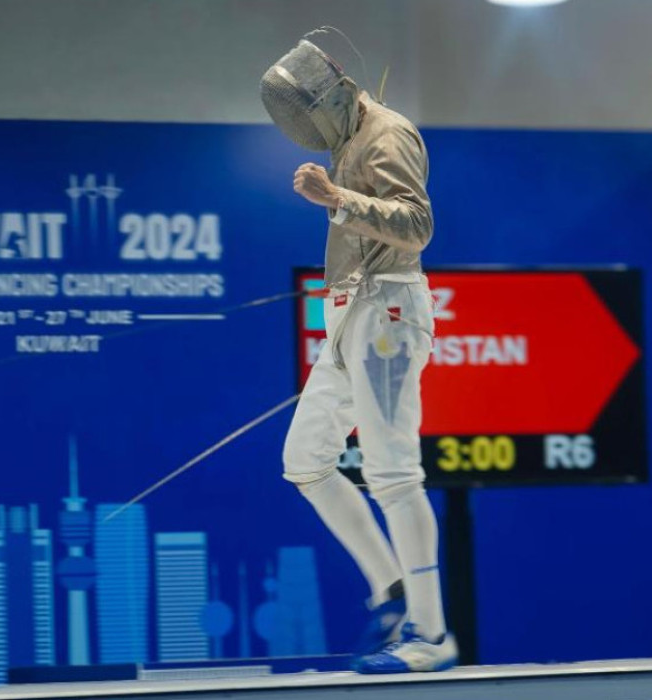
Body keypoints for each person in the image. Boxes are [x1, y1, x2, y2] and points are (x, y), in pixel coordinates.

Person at [260, 35, 457, 674]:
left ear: (335, 94)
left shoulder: (387, 133)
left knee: (393, 474)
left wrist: (337, 199)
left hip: (388, 311)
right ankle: (393, 590)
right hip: (350, 313)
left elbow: (417, 225)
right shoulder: (347, 142)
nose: (309, 129)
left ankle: (431, 635)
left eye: (310, 112)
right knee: (305, 462)